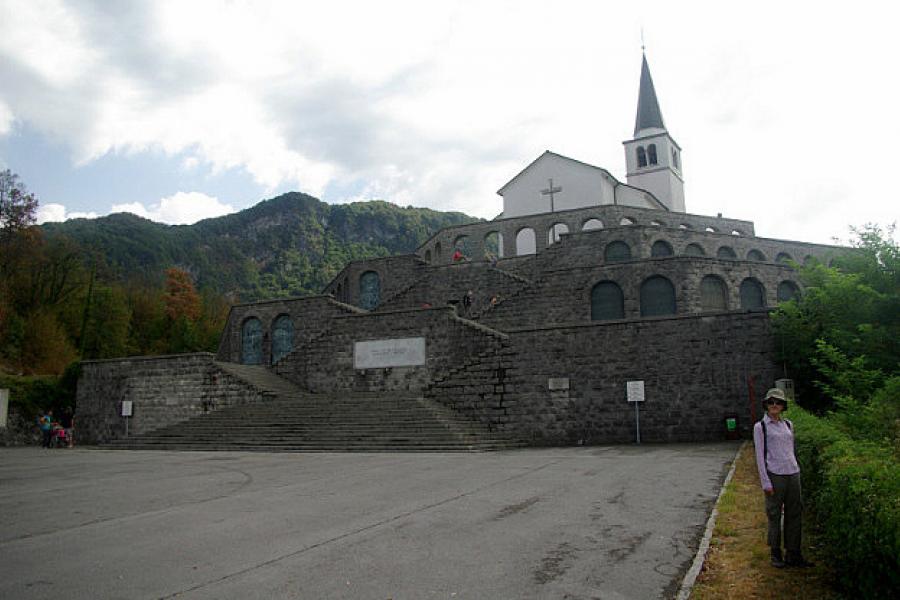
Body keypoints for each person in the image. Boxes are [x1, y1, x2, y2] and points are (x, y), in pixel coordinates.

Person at [753, 388, 813, 568]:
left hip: (792, 473)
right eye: (771, 402)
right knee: (774, 514)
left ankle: (793, 553)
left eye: (778, 402)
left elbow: (790, 450)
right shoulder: (761, 427)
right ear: (766, 405)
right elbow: (759, 456)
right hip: (775, 474)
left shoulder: (788, 425)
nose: (774, 406)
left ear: (783, 406)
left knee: (795, 514)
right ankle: (775, 553)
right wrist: (765, 481)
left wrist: (797, 469)